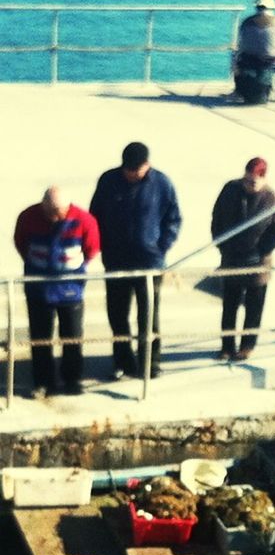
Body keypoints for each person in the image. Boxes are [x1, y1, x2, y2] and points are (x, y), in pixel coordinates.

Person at [90, 142, 182, 379]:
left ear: (147, 165)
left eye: (136, 170)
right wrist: (104, 247)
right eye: (128, 170)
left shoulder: (161, 183)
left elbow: (173, 218)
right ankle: (123, 361)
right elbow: (95, 216)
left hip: (149, 263)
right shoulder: (108, 181)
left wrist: (160, 248)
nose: (131, 175)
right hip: (117, 261)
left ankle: (151, 362)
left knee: (149, 316)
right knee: (118, 315)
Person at [13, 187, 100, 398]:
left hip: (70, 289)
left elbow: (92, 248)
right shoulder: (28, 217)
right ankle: (43, 381)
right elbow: (21, 242)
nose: (53, 216)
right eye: (49, 210)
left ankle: (72, 379)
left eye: (57, 211)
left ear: (67, 207)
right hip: (38, 288)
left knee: (72, 335)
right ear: (42, 204)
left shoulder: (84, 220)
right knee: (40, 337)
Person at [211, 156, 275, 361]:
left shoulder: (273, 201)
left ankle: (247, 346)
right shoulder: (230, 190)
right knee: (229, 306)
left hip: (257, 263)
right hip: (232, 258)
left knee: (254, 307)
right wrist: (221, 244)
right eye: (246, 180)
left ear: (263, 179)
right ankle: (227, 345)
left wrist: (262, 251)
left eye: (253, 182)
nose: (248, 186)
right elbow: (217, 217)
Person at [235, 0, 275, 101]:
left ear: (257, 7)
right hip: (270, 61)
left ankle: (237, 90)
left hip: (248, 60)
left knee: (235, 58)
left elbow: (241, 44)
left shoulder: (246, 21)